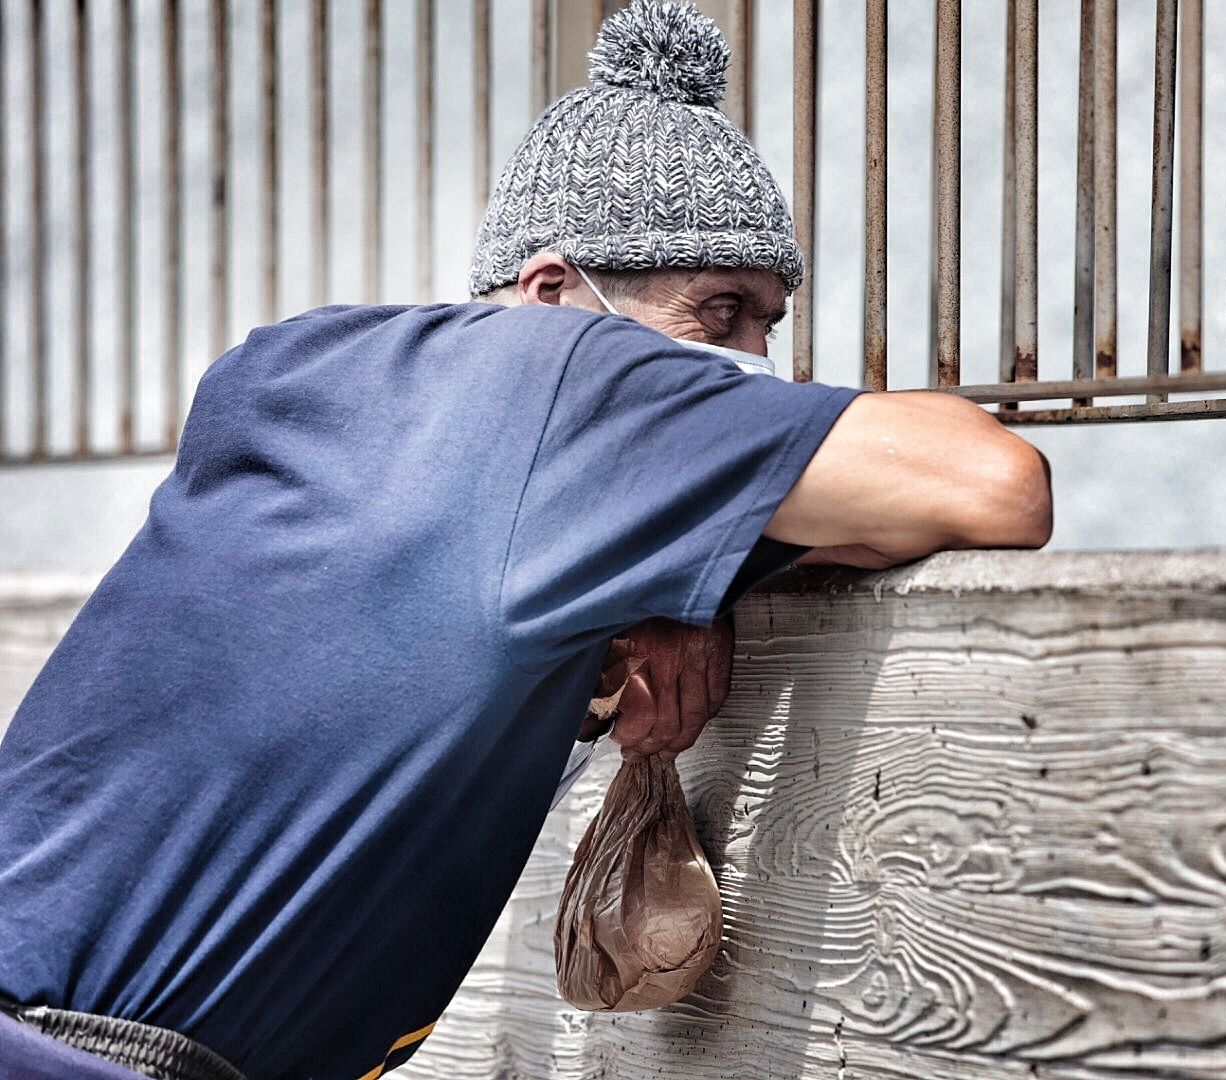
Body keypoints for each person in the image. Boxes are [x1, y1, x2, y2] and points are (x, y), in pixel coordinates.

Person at [0, 3, 1051, 1078]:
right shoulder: (565, 381)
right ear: (551, 296)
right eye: (719, 314)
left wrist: (686, 578)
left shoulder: (314, 374)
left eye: (767, 327)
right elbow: (995, 483)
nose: (754, 369)